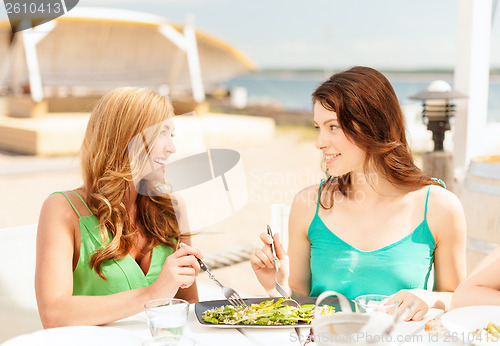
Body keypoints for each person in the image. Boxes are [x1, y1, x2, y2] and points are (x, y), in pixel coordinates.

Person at [250, 66, 467, 321]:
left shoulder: (440, 207)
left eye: (333, 127)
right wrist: (273, 285)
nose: (319, 142)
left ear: (372, 126)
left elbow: (458, 300)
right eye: (317, 127)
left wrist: (429, 298)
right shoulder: (308, 205)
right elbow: (300, 308)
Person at [35, 87, 202, 328]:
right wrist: (151, 294)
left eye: (171, 135)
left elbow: (189, 308)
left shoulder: (173, 208)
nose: (171, 148)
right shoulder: (62, 209)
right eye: (161, 134)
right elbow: (53, 314)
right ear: (126, 137)